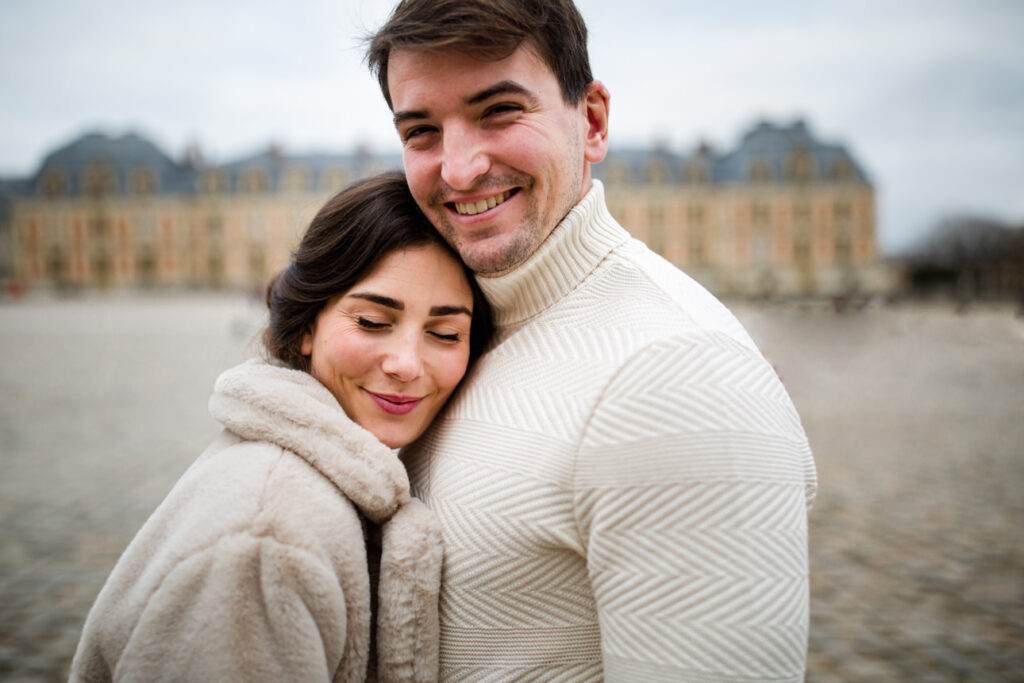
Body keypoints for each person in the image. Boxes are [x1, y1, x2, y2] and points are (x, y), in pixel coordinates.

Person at [365, 1, 818, 681]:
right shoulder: (457, 335)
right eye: (422, 130)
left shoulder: (683, 378)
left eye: (498, 111)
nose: (457, 169)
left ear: (594, 121)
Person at [69, 171, 492, 682]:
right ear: (308, 325)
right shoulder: (265, 544)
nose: (406, 363)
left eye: (445, 333)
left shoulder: (302, 480)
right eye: (373, 322)